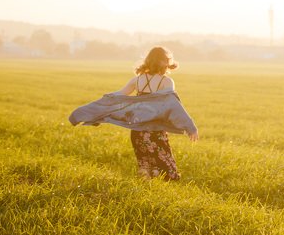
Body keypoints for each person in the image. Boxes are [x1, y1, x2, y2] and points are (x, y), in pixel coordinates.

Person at [69, 45, 198, 182]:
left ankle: (149, 189)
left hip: (137, 131)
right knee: (165, 167)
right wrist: (190, 127)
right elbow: (173, 106)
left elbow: (119, 95)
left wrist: (100, 106)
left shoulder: (137, 80)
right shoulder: (166, 82)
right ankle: (156, 194)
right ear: (165, 62)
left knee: (145, 166)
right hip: (155, 130)